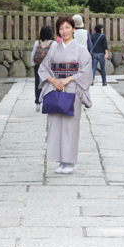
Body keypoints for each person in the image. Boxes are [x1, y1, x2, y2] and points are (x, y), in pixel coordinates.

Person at [39, 15, 92, 174]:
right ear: (58, 31)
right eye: (61, 28)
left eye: (67, 27)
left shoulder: (81, 50)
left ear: (74, 29)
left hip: (72, 89)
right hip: (56, 88)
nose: (64, 31)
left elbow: (86, 71)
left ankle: (70, 163)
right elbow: (43, 68)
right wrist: (54, 81)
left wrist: (68, 78)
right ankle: (61, 161)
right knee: (56, 124)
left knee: (70, 125)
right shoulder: (54, 48)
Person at [31, 25, 54, 107]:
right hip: (49, 67)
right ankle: (48, 101)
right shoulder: (53, 43)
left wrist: (33, 65)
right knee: (49, 83)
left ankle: (38, 102)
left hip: (38, 66)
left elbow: (32, 55)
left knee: (38, 83)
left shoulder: (37, 43)